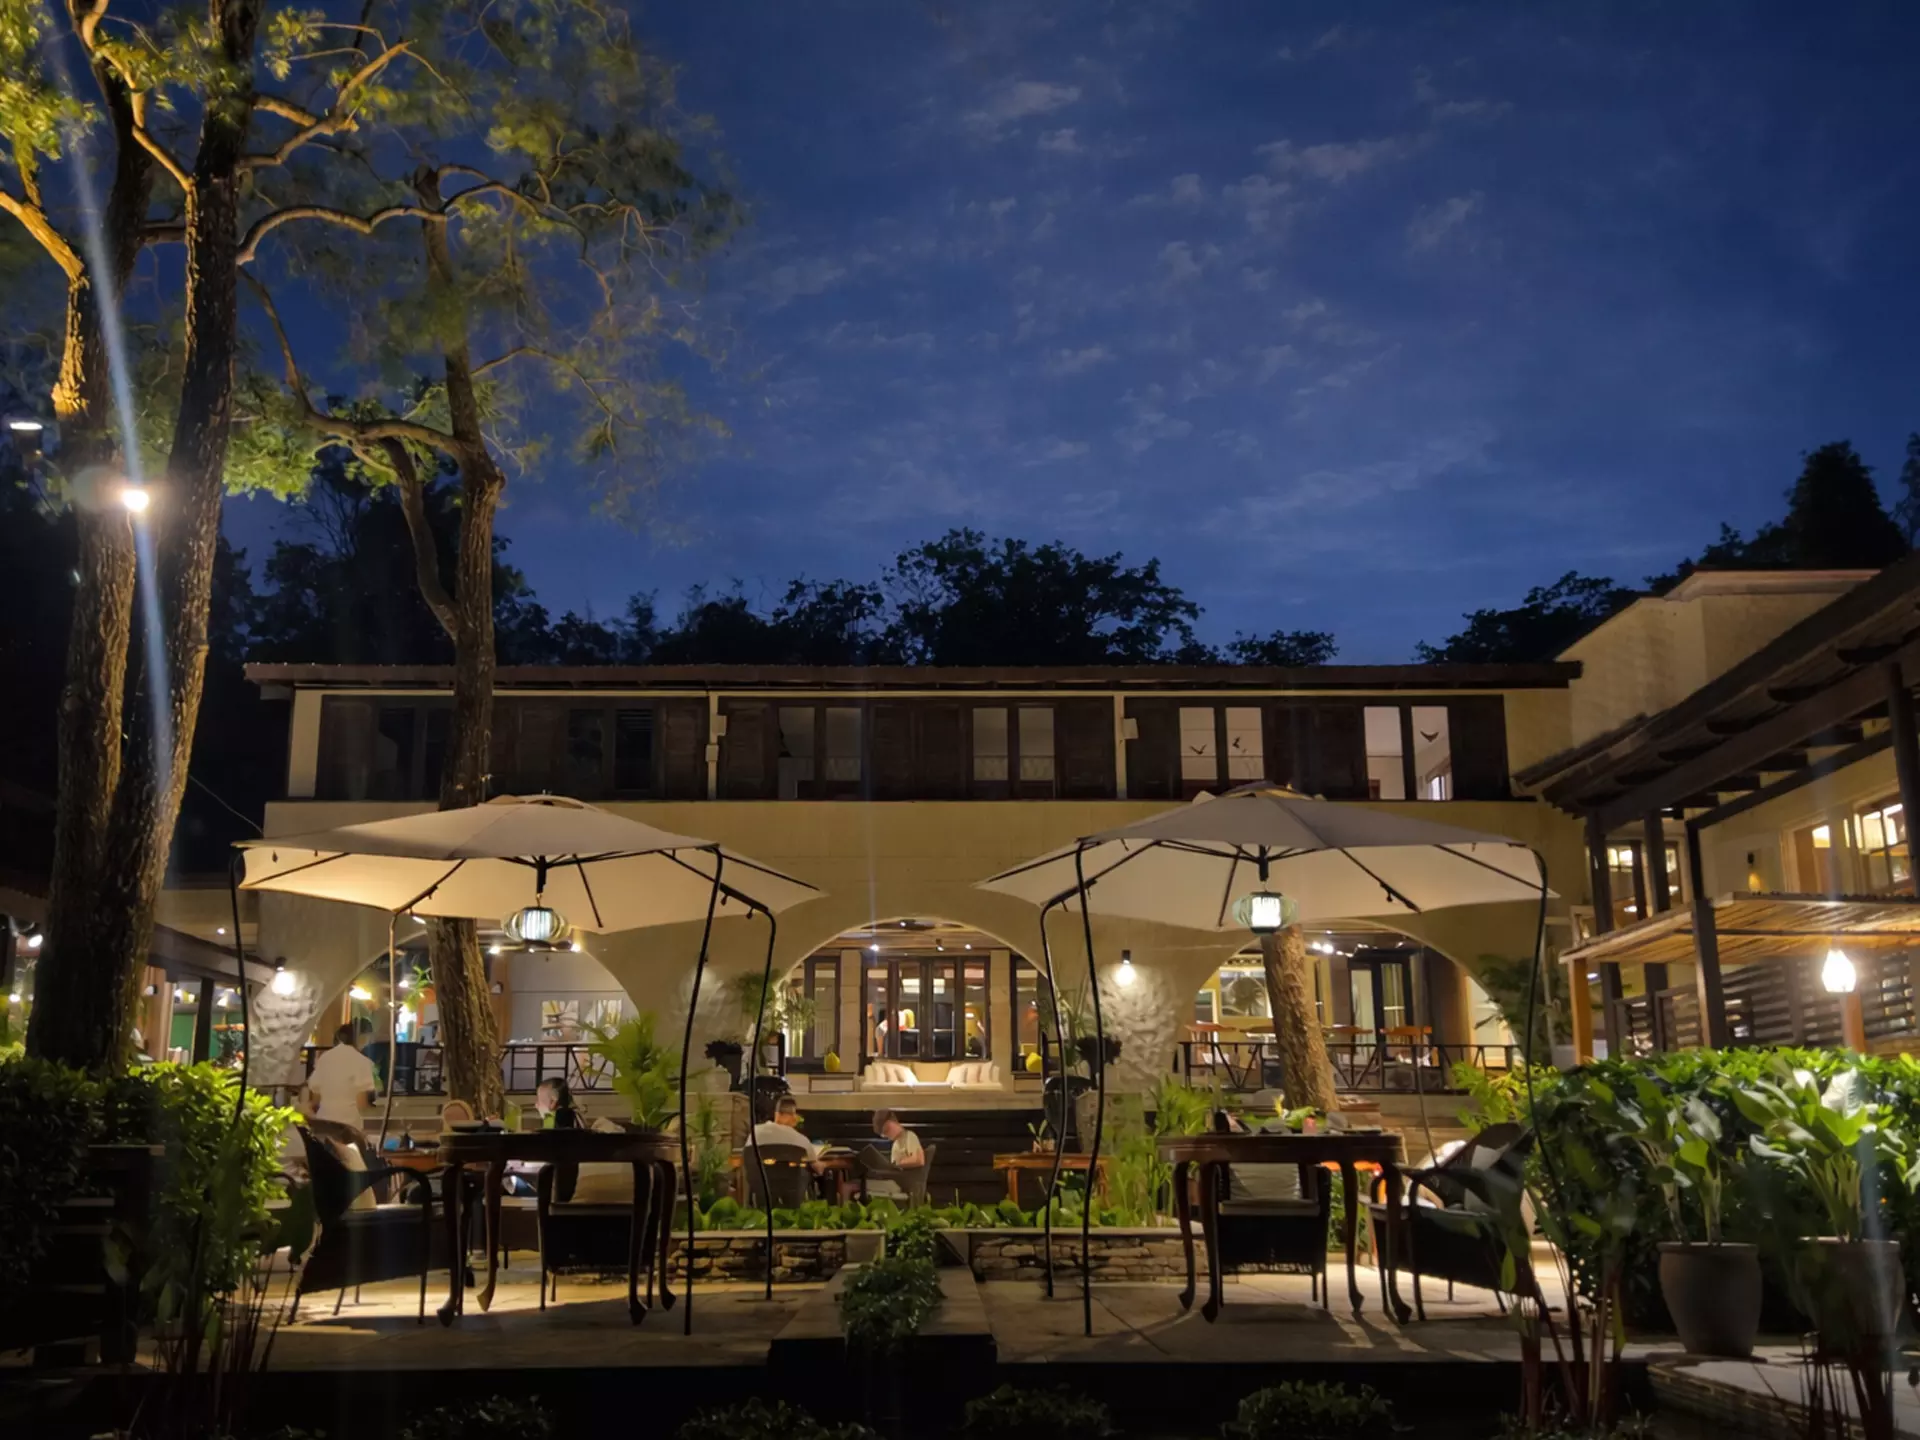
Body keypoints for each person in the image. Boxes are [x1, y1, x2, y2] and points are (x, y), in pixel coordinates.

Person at [304, 1019, 377, 1124]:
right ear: (362, 1037)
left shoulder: (325, 1057)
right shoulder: (362, 1061)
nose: (369, 1042)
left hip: (324, 1123)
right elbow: (361, 1104)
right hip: (349, 1125)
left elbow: (316, 1099)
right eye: (369, 1038)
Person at [753, 1095, 824, 1172]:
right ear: (794, 1116)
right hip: (791, 1183)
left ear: (776, 1114)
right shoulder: (801, 1140)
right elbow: (818, 1169)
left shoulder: (754, 1132)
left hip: (758, 1183)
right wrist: (829, 1164)